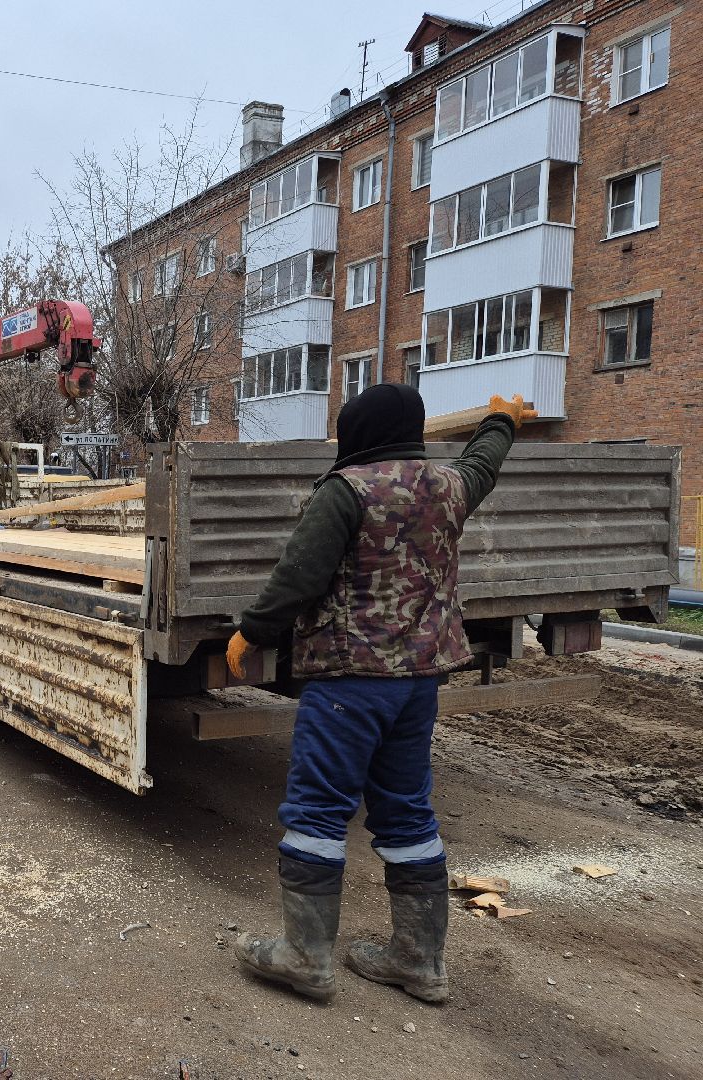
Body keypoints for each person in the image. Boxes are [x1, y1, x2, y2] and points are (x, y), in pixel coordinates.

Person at [228, 387, 536, 1005]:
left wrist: (252, 632)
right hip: (418, 686)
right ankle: (420, 962)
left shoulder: (346, 492)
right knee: (406, 811)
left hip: (349, 680)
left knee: (317, 812)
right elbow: (484, 465)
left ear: (355, 434)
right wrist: (500, 420)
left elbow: (299, 575)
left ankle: (305, 957)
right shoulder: (449, 487)